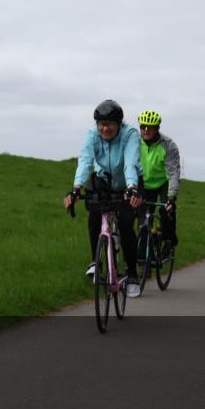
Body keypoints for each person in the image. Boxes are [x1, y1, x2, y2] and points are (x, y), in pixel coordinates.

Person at [62, 100, 144, 298]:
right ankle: (95, 261)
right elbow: (85, 161)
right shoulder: (92, 136)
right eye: (101, 124)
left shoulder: (130, 135)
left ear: (119, 124)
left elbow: (130, 163)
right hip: (104, 180)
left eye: (110, 124)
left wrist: (132, 188)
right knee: (94, 213)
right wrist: (75, 189)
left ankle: (132, 274)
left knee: (125, 225)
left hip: (128, 182)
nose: (105, 129)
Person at [135, 110, 181, 252]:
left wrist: (171, 197)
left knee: (165, 210)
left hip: (163, 183)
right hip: (144, 183)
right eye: (143, 127)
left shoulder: (168, 145)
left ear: (157, 128)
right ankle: (143, 258)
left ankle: (168, 240)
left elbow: (173, 172)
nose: (146, 130)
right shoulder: (135, 143)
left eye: (151, 127)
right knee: (142, 221)